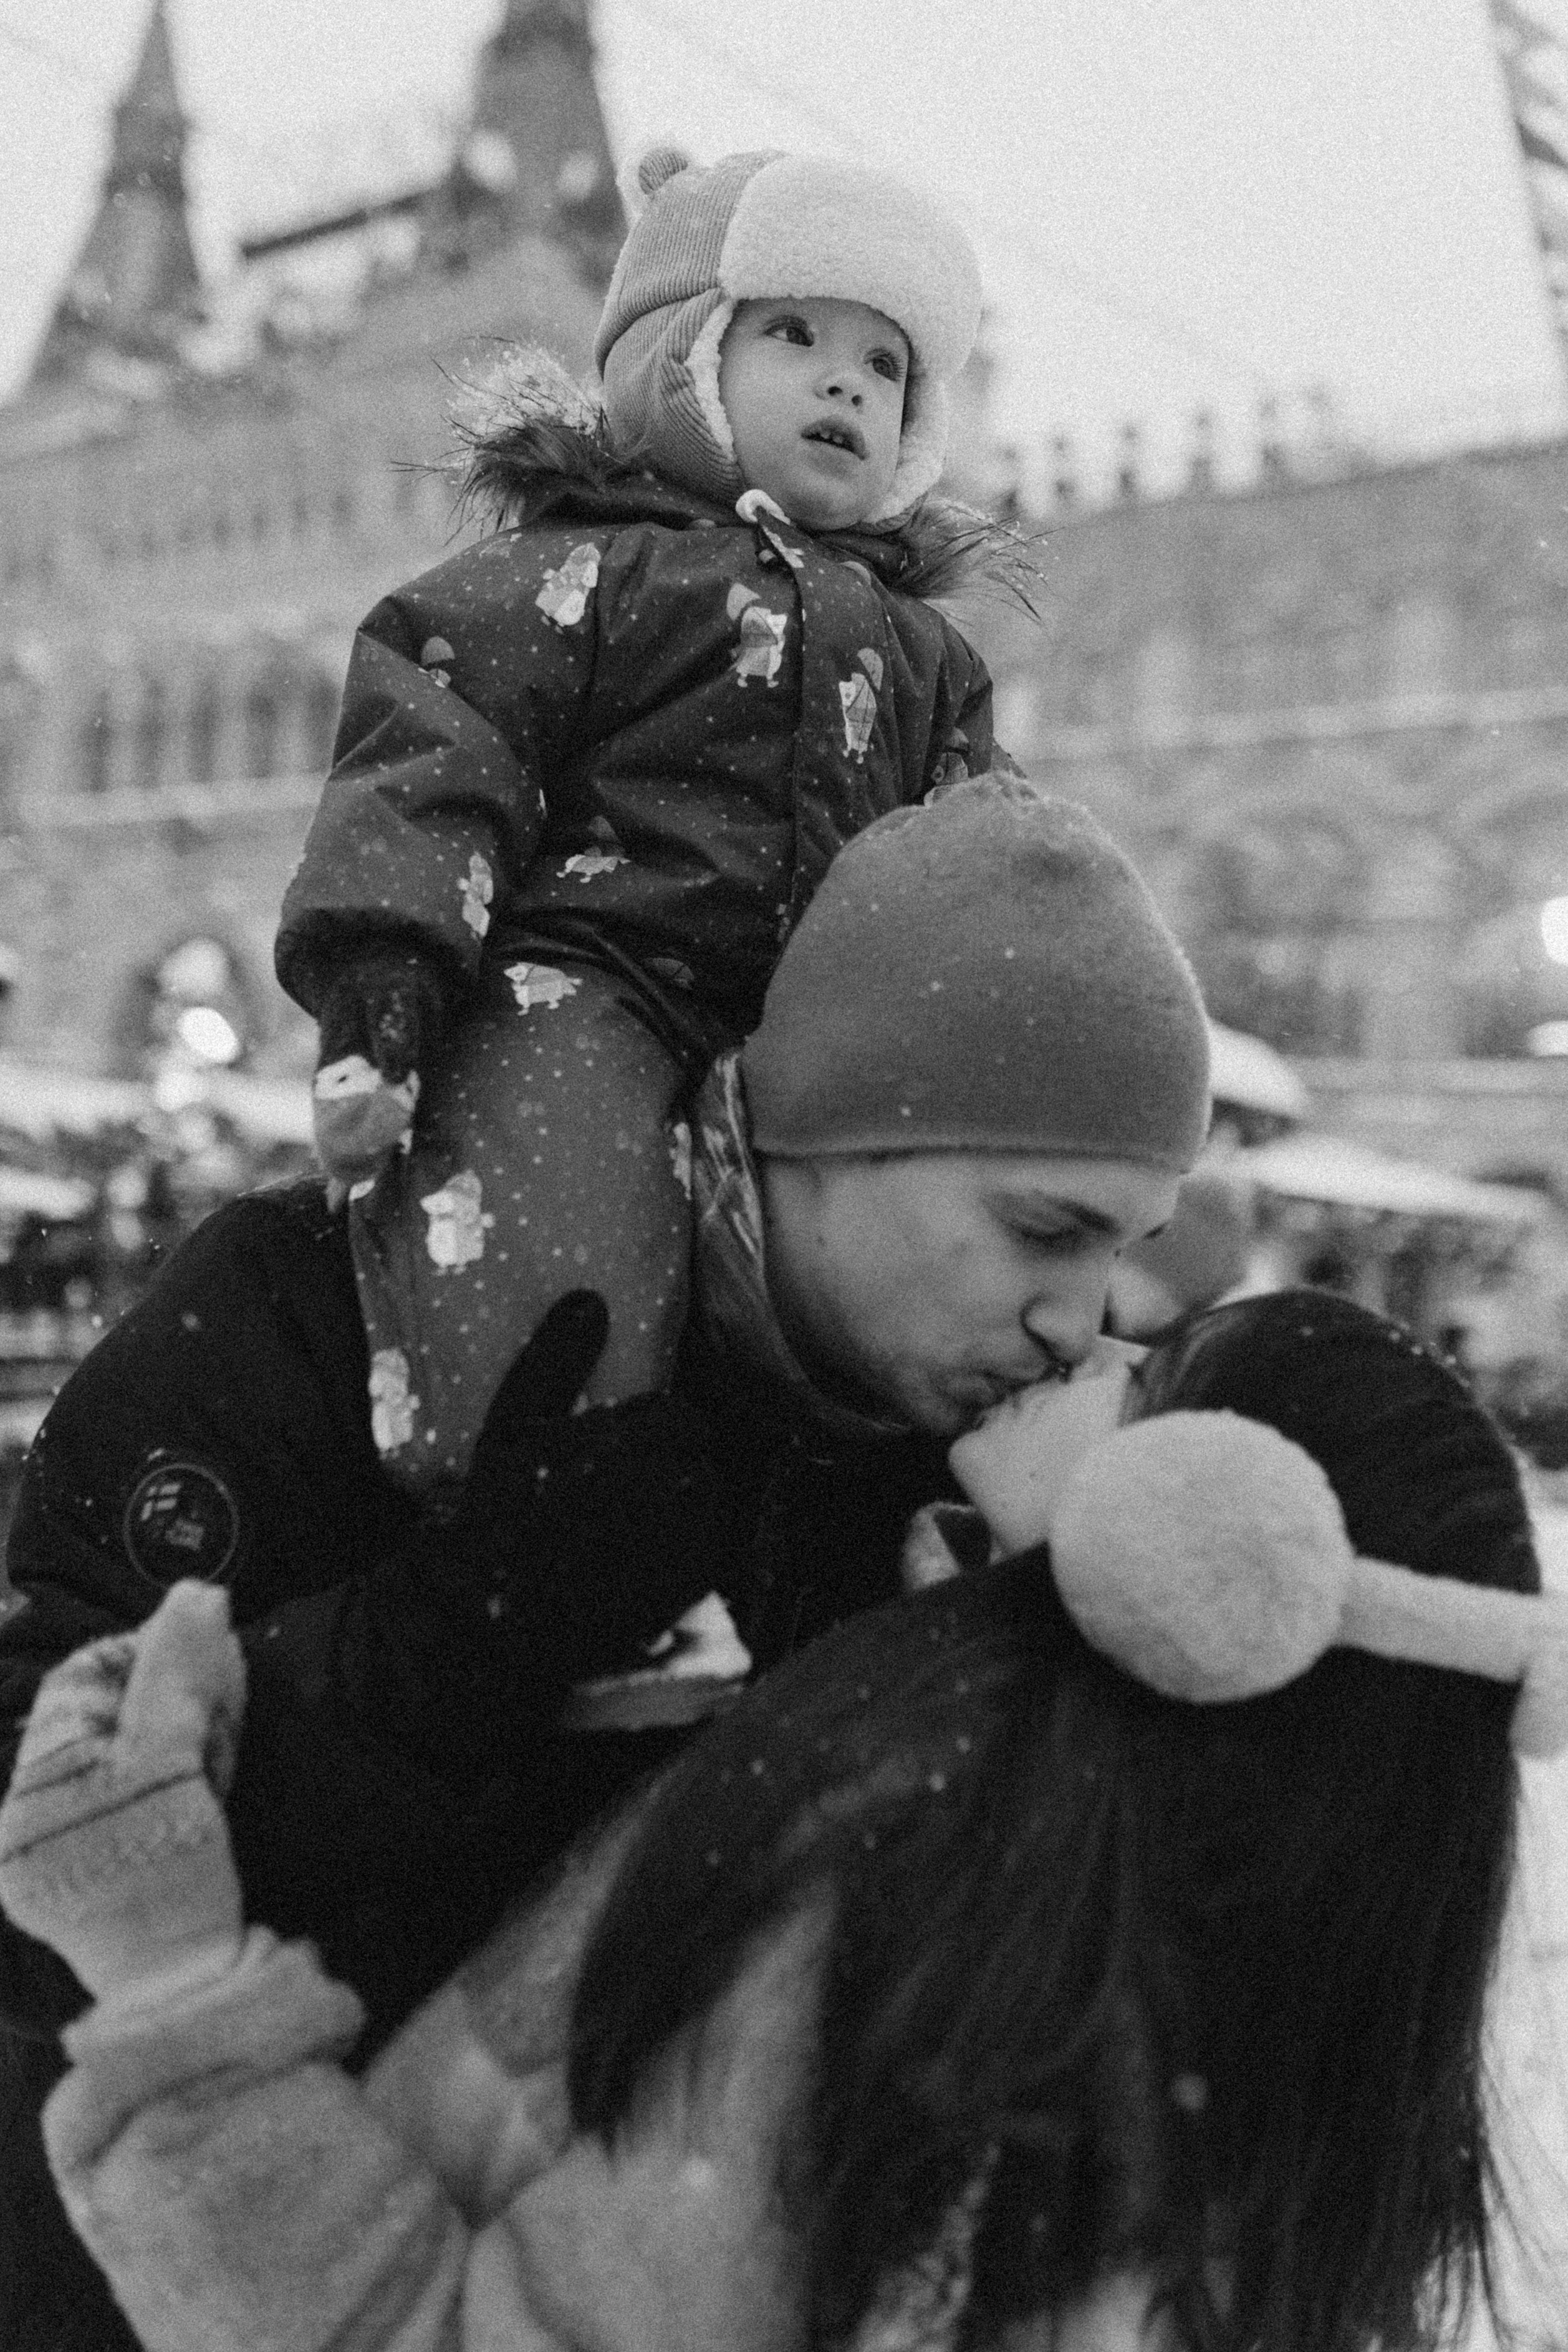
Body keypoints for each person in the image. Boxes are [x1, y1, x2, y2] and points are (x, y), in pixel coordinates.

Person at [0, 779, 1211, 2352]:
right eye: (1046, 1225)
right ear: (817, 1137)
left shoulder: (954, 1497)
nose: (1083, 1313)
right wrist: (421, 1659)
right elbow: (32, 1865)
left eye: (1127, 1247)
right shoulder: (327, 1299)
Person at [2, 1288, 1559, 2351]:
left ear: (1207, 1539)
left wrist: (168, 1977)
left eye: (1147, 1376)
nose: (1084, 1334)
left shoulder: (938, 1937)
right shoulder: (1198, 1976)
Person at [282, 138, 1017, 1494]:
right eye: (793, 331)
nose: (848, 378)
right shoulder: (581, 570)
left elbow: (980, 858)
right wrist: (385, 981)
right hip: (591, 977)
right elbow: (434, 761)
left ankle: (867, 1529)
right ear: (685, 352)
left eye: (888, 362)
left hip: (805, 1030)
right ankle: (543, 1516)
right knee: (556, 1223)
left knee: (878, 1288)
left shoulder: (924, 654)